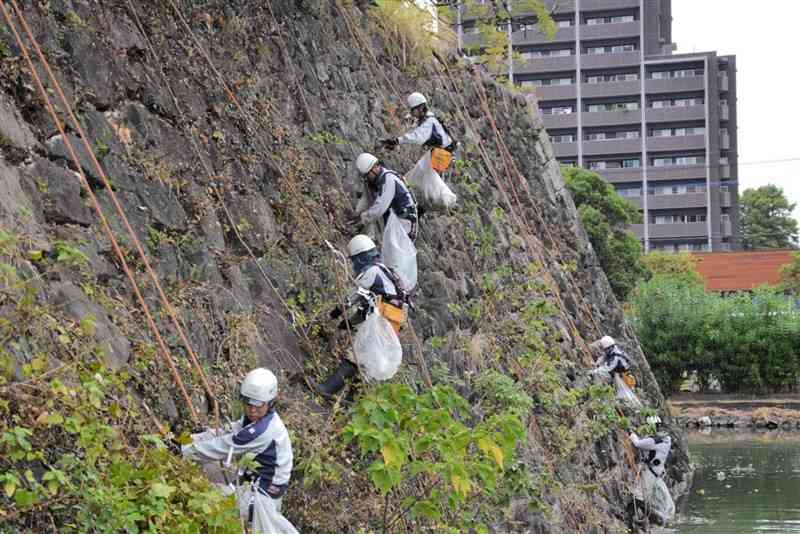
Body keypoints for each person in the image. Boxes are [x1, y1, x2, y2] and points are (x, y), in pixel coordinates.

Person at [182, 368, 297, 534]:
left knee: (213, 499)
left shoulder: (263, 430)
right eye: (247, 403)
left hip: (262, 497)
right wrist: (190, 439)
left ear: (270, 402)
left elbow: (223, 446)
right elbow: (227, 431)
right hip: (257, 484)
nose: (252, 410)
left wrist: (183, 450)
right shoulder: (258, 418)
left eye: (258, 405)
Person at [317, 234, 406, 396]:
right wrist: (350, 322)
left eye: (354, 260)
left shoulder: (372, 272)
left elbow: (357, 297)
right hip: (390, 324)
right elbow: (368, 308)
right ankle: (350, 404)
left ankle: (328, 389)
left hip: (381, 323)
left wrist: (337, 311)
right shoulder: (384, 271)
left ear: (360, 257)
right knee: (367, 364)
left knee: (356, 356)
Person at [380, 92, 457, 208]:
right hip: (440, 153)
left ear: (421, 108)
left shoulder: (430, 121)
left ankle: (447, 199)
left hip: (440, 155)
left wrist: (397, 141)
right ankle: (413, 200)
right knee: (420, 175)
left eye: (413, 110)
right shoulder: (427, 120)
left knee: (425, 177)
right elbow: (414, 133)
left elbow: (417, 137)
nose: (412, 113)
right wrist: (397, 141)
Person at [353, 152, 417, 240]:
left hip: (405, 222)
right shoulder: (375, 180)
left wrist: (362, 219)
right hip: (394, 220)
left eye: (367, 175)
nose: (367, 178)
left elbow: (380, 207)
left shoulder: (388, 180)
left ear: (375, 168)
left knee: (399, 252)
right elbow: (366, 198)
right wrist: (356, 214)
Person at [628, 416, 676, 527]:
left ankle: (647, 518)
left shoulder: (656, 440)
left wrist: (631, 433)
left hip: (651, 472)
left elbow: (638, 444)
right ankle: (648, 518)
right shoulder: (666, 438)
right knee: (645, 496)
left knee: (638, 495)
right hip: (655, 471)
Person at [591, 335, 641, 408]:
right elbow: (603, 357)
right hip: (619, 376)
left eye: (606, 349)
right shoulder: (612, 351)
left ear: (609, 347)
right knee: (623, 396)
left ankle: (634, 408)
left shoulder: (616, 356)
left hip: (623, 379)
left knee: (627, 398)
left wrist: (594, 371)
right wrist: (596, 364)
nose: (605, 351)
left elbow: (607, 368)